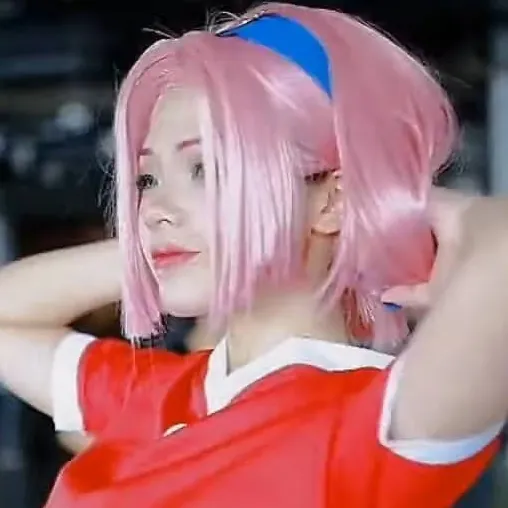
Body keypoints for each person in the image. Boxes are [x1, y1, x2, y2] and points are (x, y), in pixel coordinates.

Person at [0, 3, 507, 507]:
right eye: (148, 179)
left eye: (205, 170)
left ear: (331, 202)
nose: (153, 209)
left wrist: (408, 208)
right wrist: (151, 252)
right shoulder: (161, 395)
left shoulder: (369, 424)